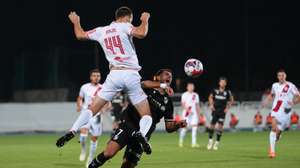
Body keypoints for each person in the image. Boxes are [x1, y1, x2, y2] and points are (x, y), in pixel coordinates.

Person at [56, 7, 155, 154]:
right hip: (131, 74)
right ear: (128, 17)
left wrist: (76, 22)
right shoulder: (126, 26)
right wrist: (145, 20)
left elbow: (80, 35)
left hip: (114, 75)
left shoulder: (102, 30)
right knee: (146, 115)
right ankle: (141, 134)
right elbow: (141, 33)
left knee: (92, 109)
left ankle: (73, 129)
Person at [88, 69, 187, 168]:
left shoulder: (168, 102)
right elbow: (143, 84)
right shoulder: (147, 88)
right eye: (166, 74)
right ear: (158, 77)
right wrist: (162, 85)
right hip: (129, 124)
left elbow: (169, 127)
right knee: (109, 152)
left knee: (127, 165)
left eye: (171, 76)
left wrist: (178, 125)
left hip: (143, 134)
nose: (169, 77)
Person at [262, 69, 300, 158]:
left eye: (282, 75)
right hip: (276, 109)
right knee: (273, 128)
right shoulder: (274, 85)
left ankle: (278, 135)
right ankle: (272, 152)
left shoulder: (290, 86)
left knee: (278, 132)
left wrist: (294, 102)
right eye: (279, 75)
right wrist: (266, 101)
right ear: (277, 77)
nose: (281, 77)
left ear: (285, 76)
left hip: (286, 112)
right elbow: (272, 95)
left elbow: (299, 96)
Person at [76, 69, 106, 167]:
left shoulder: (103, 88)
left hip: (97, 116)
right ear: (90, 77)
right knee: (83, 136)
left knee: (94, 138)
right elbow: (80, 98)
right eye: (94, 75)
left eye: (98, 76)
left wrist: (104, 108)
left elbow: (108, 101)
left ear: (100, 77)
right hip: (86, 114)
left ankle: (90, 158)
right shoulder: (84, 87)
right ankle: (83, 150)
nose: (96, 77)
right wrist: (79, 105)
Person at [207, 77, 234, 150]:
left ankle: (217, 142)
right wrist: (211, 105)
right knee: (212, 125)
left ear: (226, 83)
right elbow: (210, 97)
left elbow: (231, 100)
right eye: (221, 82)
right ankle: (210, 140)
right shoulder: (215, 90)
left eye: (224, 82)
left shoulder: (228, 92)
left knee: (220, 127)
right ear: (219, 83)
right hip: (215, 111)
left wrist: (227, 108)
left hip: (222, 112)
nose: (222, 83)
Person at [178, 83, 201, 148]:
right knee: (184, 128)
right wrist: (188, 110)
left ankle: (194, 143)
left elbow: (197, 105)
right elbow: (183, 104)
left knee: (194, 128)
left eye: (192, 87)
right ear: (187, 87)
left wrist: (199, 115)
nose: (191, 88)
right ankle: (181, 141)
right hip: (186, 114)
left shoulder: (196, 95)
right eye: (190, 87)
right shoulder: (184, 94)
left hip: (194, 114)